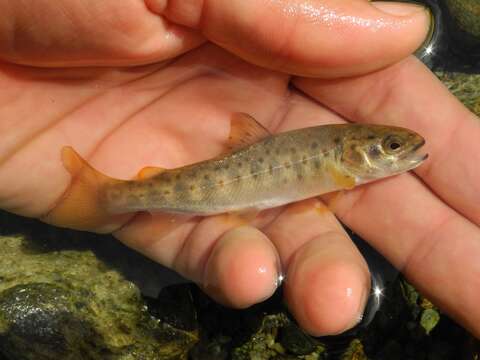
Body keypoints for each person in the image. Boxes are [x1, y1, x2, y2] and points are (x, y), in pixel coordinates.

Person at [1, 0, 479, 338]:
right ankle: (105, 195)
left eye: (393, 147)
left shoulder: (338, 158)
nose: (402, 152)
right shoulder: (338, 167)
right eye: (390, 147)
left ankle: (105, 196)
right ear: (350, 154)